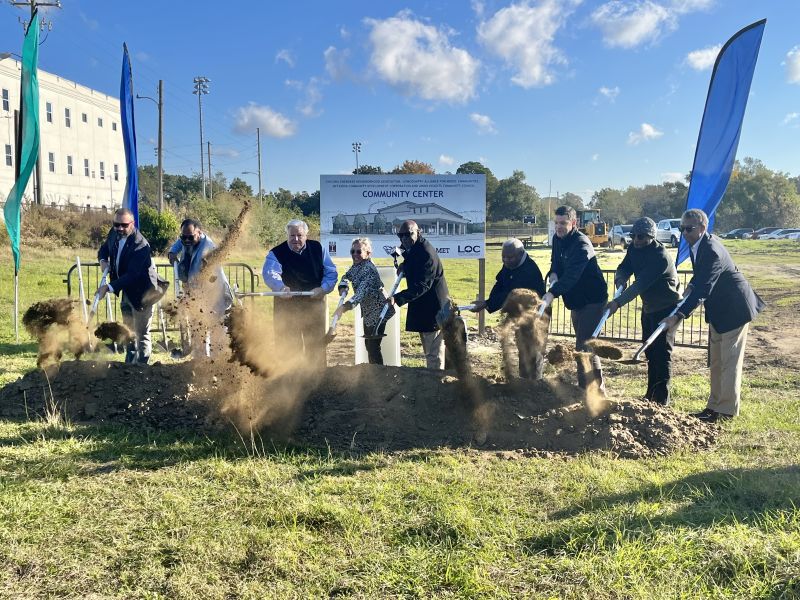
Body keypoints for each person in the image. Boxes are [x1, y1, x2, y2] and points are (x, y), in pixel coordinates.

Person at [661, 208, 765, 422]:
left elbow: (704, 288)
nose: (685, 233)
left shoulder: (712, 250)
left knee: (729, 361)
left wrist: (678, 315)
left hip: (735, 309)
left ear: (702, 227)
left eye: (689, 229)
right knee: (716, 361)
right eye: (682, 229)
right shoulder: (695, 245)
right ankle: (713, 406)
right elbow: (700, 278)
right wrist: (689, 287)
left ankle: (726, 411)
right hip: (718, 310)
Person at [606, 217, 681, 405]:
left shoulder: (660, 257)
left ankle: (662, 400)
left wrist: (617, 303)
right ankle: (650, 395)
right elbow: (624, 267)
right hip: (649, 307)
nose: (636, 240)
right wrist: (620, 279)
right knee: (650, 351)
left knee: (662, 353)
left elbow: (640, 284)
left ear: (651, 237)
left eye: (641, 237)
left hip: (667, 308)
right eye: (633, 236)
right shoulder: (633, 248)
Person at [543, 205, 608, 391]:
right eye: (556, 223)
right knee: (586, 347)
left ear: (574, 222)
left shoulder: (581, 244)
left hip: (593, 301)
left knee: (584, 348)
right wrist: (553, 274)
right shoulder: (557, 238)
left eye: (563, 223)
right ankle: (592, 391)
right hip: (576, 301)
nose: (559, 227)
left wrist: (552, 293)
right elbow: (555, 262)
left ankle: (590, 395)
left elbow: (572, 275)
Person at [262, 219, 338, 367]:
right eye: (292, 236)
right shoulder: (276, 253)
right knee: (288, 346)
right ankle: (290, 381)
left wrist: (323, 289)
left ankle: (317, 379)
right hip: (286, 305)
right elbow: (270, 273)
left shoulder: (318, 249)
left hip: (314, 304)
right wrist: (281, 287)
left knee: (315, 345)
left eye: (299, 235)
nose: (295, 239)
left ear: (306, 235)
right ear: (287, 235)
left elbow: (331, 272)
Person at [97, 208, 166, 364]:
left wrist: (108, 287)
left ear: (132, 224)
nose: (120, 228)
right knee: (128, 331)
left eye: (124, 225)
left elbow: (132, 274)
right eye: (116, 224)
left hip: (144, 294)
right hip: (127, 291)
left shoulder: (140, 245)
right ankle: (129, 366)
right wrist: (102, 260)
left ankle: (141, 368)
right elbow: (104, 248)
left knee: (141, 334)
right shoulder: (114, 233)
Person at [473, 238, 546, 378]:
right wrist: (488, 301)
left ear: (520, 253)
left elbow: (511, 293)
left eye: (510, 257)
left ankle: (535, 385)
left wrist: (487, 304)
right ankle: (524, 381)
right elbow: (500, 283)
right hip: (518, 313)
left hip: (535, 315)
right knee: (522, 347)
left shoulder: (529, 270)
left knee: (533, 350)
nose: (506, 260)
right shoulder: (510, 264)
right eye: (503, 257)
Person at [386, 220, 449, 370]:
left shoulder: (426, 253)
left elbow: (423, 285)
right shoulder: (414, 247)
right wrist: (404, 265)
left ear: (418, 232)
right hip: (424, 306)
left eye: (408, 234)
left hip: (434, 309)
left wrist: (398, 298)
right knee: (430, 350)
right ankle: (435, 380)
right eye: (400, 235)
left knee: (433, 353)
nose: (404, 239)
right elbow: (411, 258)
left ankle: (436, 385)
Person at [167, 218, 233, 356]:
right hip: (195, 294)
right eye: (183, 237)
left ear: (199, 233)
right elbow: (179, 244)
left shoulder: (208, 248)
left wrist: (204, 276)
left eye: (190, 237)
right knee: (197, 329)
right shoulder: (186, 238)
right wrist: (172, 253)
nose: (186, 241)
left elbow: (212, 278)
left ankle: (219, 364)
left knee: (216, 331)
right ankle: (198, 363)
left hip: (214, 295)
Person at [334, 237, 395, 364]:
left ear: (368, 253)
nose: (355, 255)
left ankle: (378, 375)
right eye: (352, 251)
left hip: (379, 311)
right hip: (368, 312)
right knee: (370, 345)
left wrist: (344, 307)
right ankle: (374, 373)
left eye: (358, 252)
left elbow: (360, 293)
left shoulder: (368, 269)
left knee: (372, 346)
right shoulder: (357, 266)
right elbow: (346, 275)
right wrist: (343, 285)